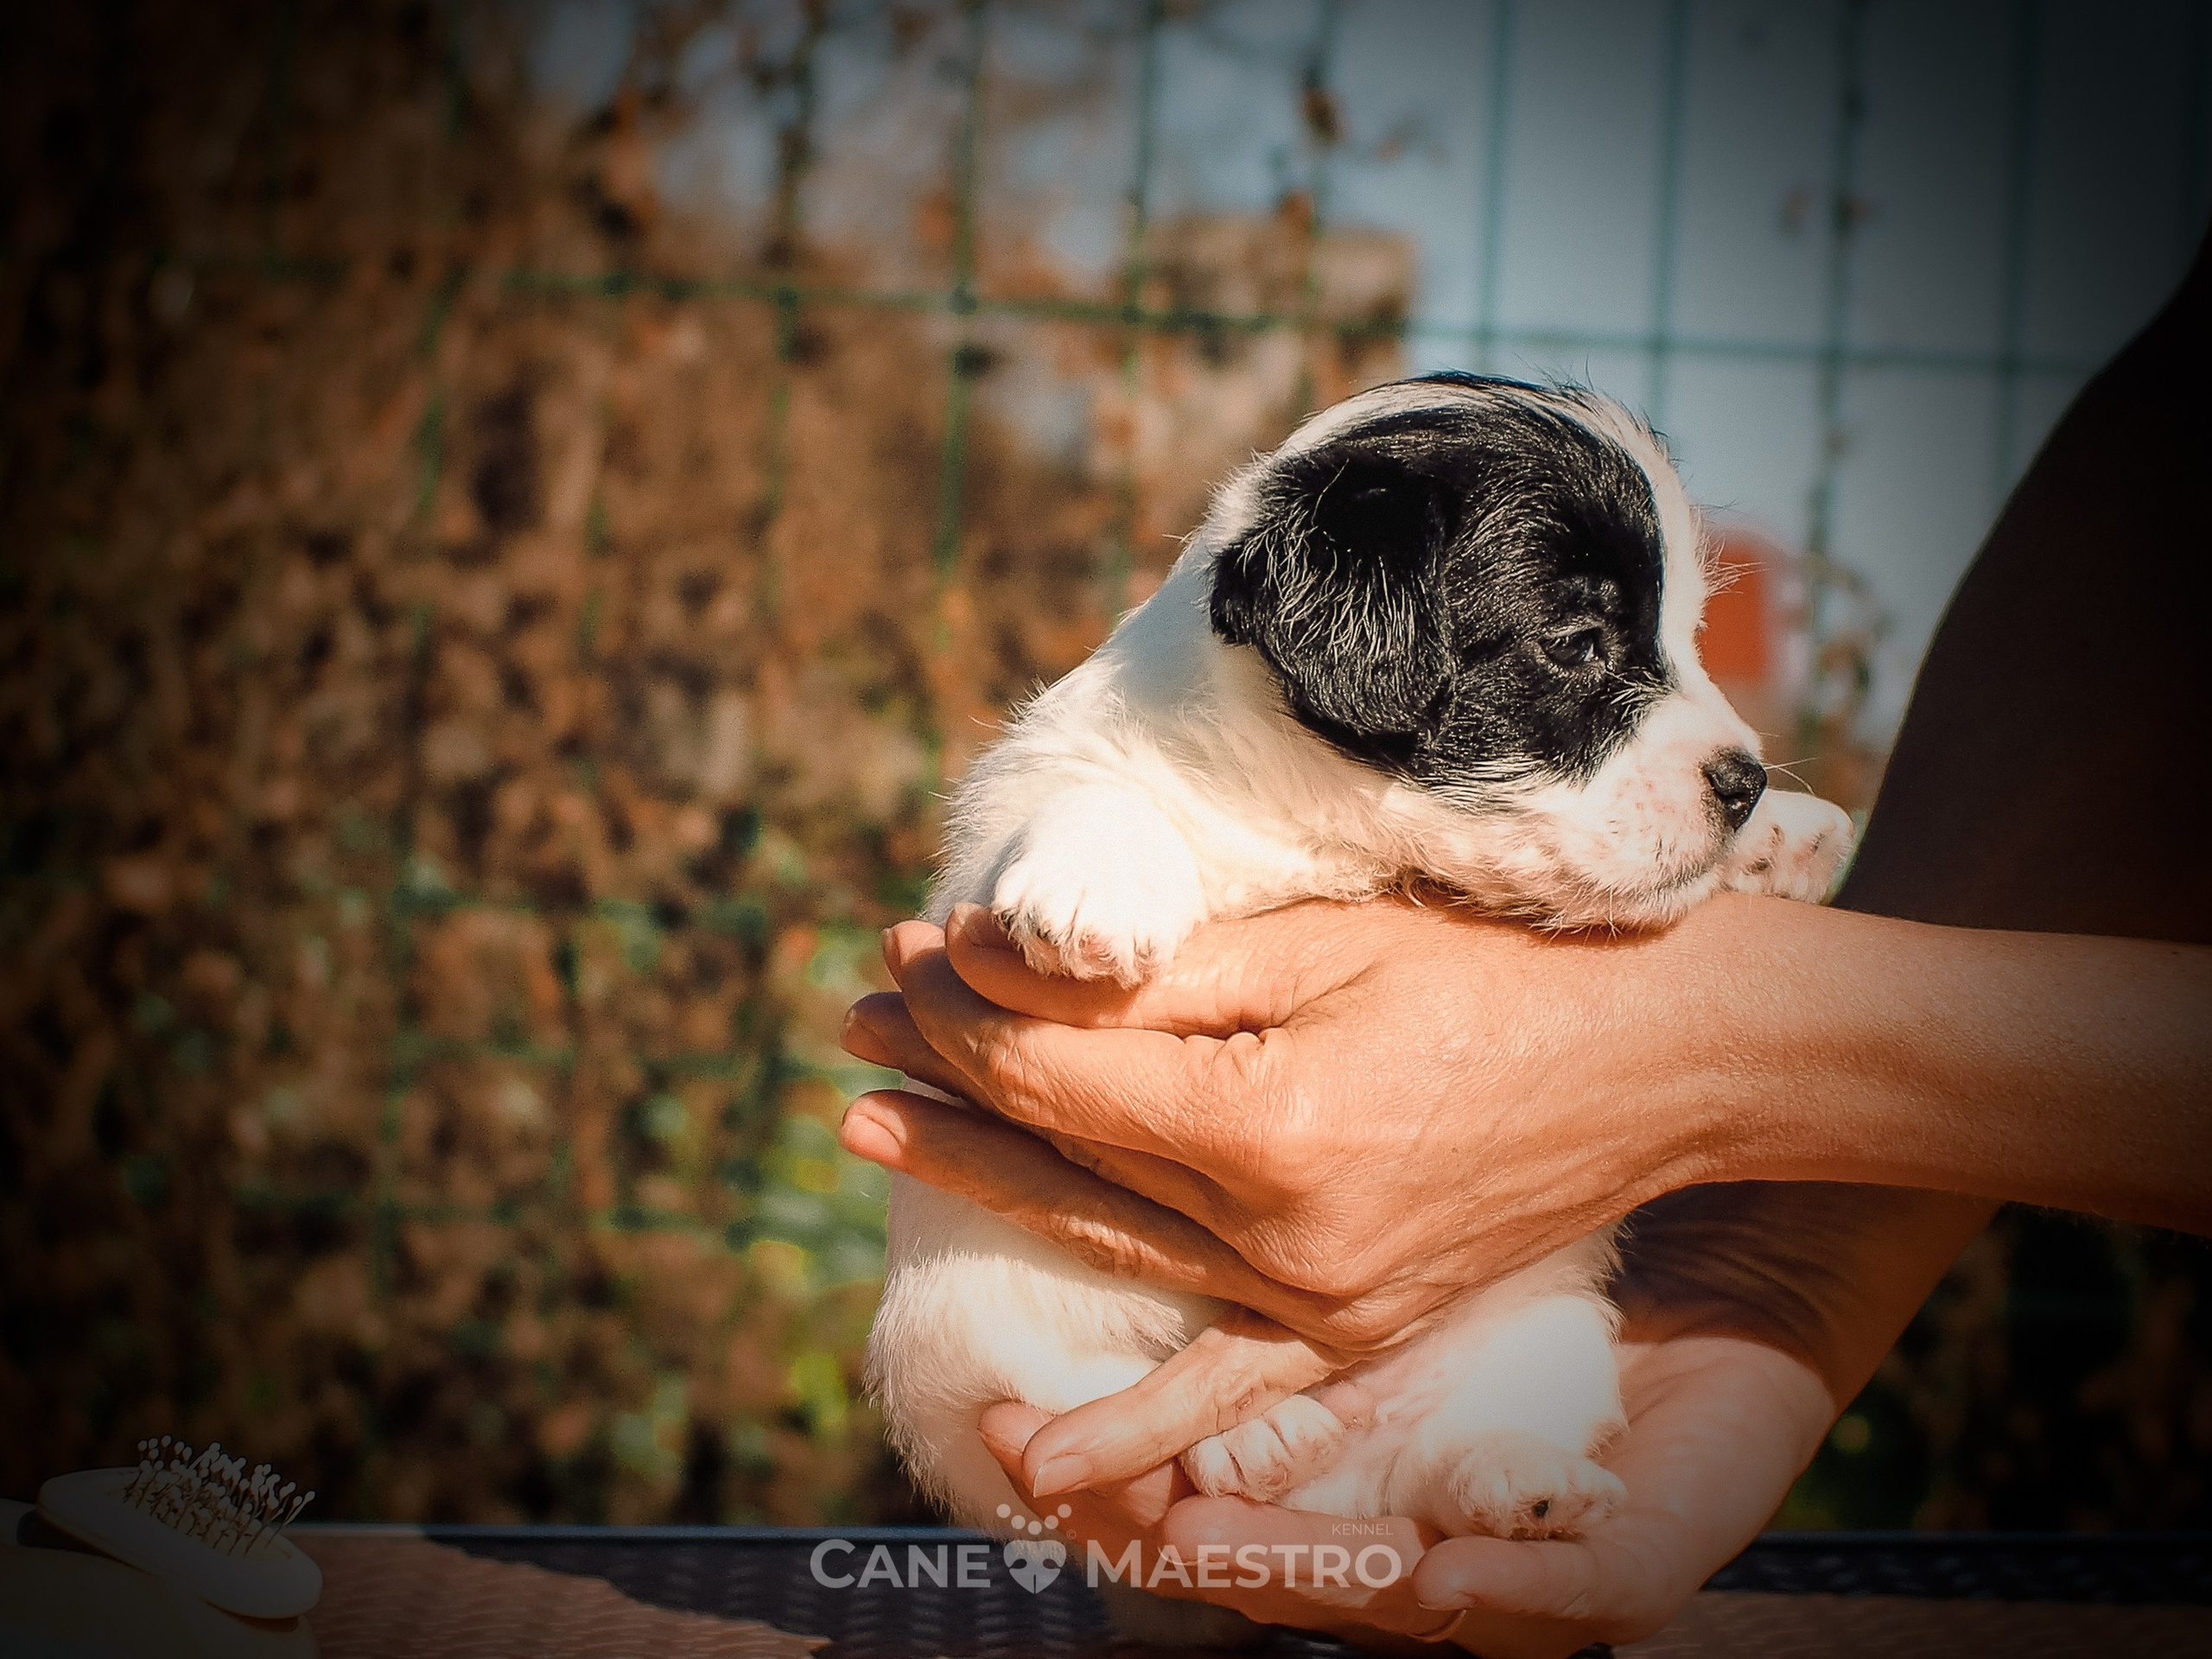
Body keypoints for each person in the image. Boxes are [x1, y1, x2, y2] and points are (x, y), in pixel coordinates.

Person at [836, 226, 2212, 1655]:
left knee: (1545, 1330)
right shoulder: (1121, 772)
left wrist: (1740, 975)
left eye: (1674, 648)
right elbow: (1071, 836)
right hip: (1087, 1383)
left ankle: (1463, 1460)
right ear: (1351, 621)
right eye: (1588, 645)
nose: (1727, 739)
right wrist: (1092, 855)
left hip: (1407, 1399)